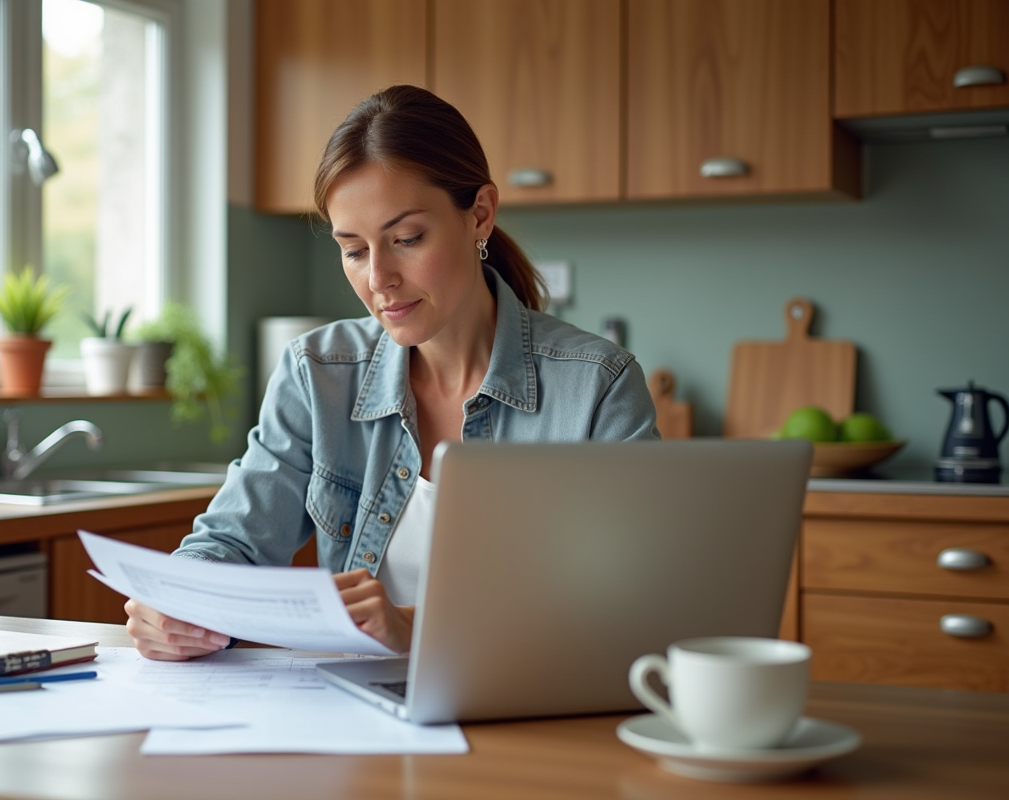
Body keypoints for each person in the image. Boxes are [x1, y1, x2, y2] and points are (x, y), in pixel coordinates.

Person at [125, 85, 658, 659]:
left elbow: (636, 601)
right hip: (351, 706)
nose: (379, 279)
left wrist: (419, 628)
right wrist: (179, 597)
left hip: (524, 705)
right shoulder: (318, 374)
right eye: (354, 251)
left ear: (480, 215)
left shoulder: (597, 387)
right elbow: (234, 539)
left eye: (406, 239)